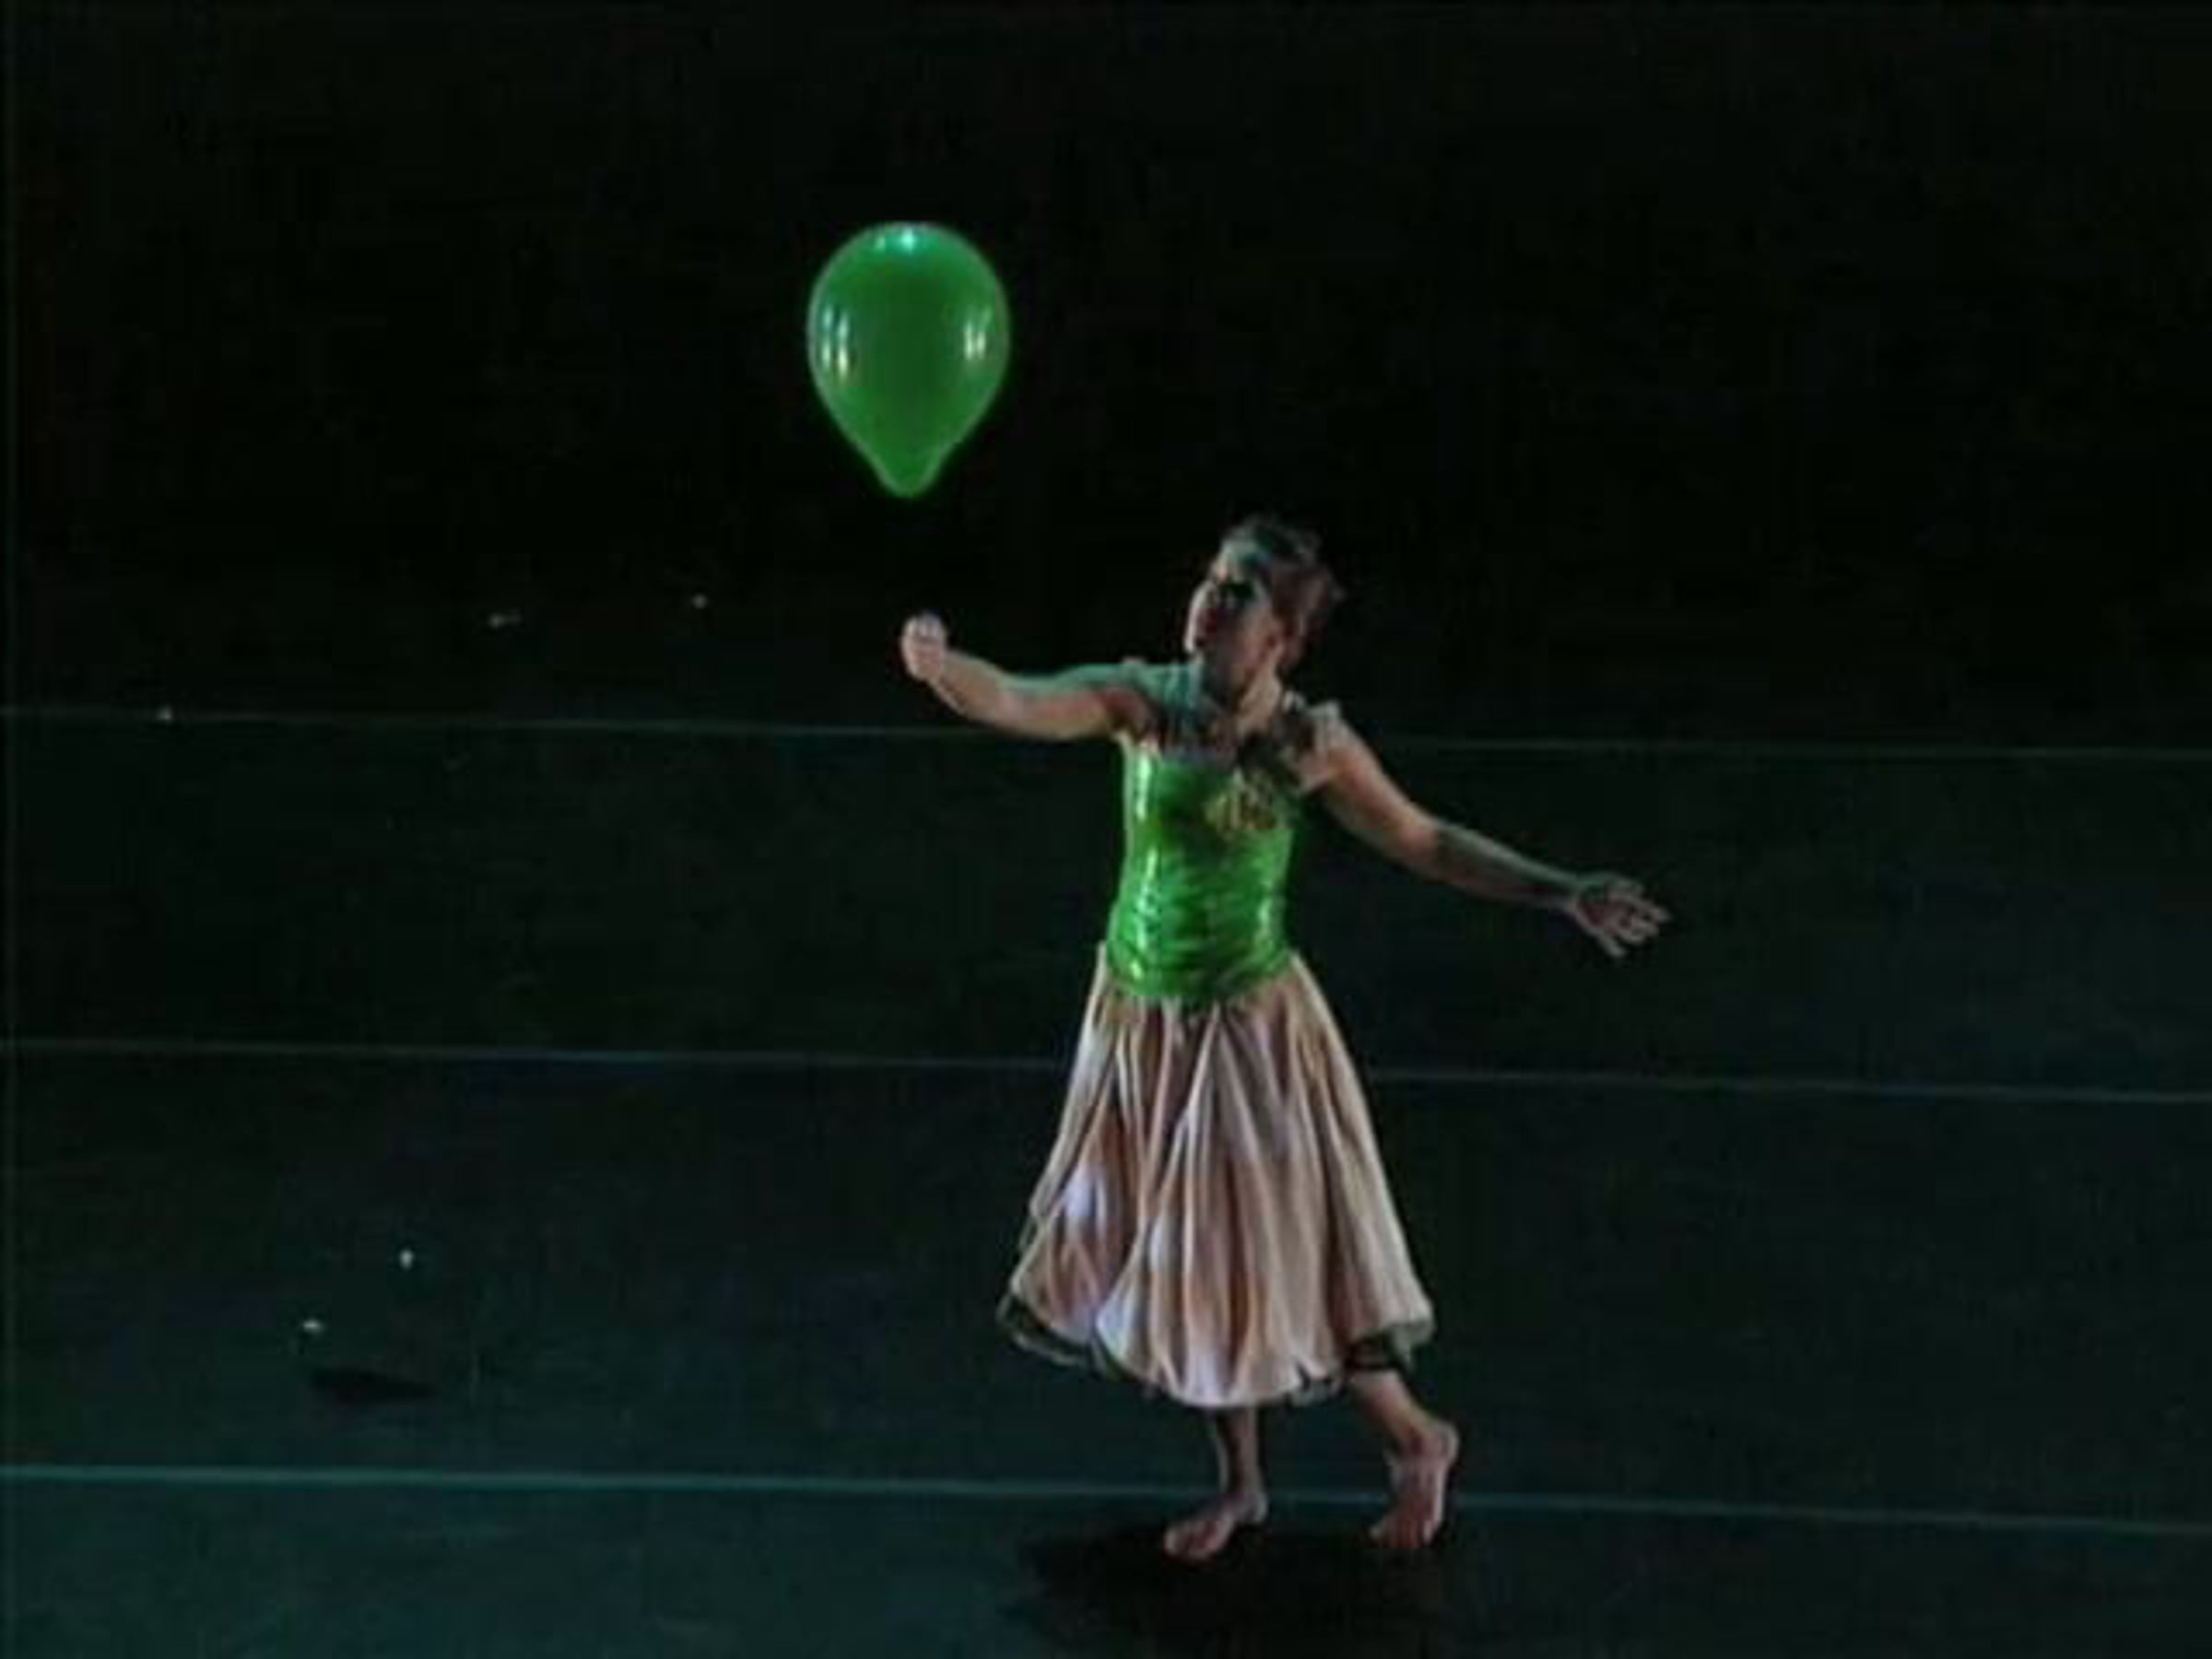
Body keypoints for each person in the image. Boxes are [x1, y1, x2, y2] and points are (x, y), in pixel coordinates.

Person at [897, 513, 1669, 1563]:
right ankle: (1242, 1486)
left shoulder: (1309, 743)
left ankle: (1415, 1438)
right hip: (1143, 1016)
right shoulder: (1144, 703)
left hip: (1247, 1032)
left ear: (1282, 641)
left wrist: (1560, 890)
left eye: (1239, 592)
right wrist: (944, 669)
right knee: (1198, 1265)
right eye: (1212, 579)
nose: (1210, 600)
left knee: (1281, 1258)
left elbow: (1427, 840)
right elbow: (1026, 700)